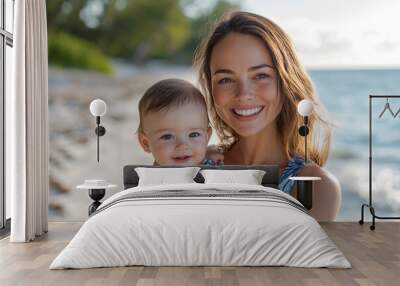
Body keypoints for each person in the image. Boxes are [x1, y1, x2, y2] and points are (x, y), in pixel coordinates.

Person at [194, 11, 341, 221]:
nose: (243, 94)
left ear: (285, 82)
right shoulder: (194, 162)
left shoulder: (314, 187)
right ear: (211, 86)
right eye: (226, 79)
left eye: (261, 75)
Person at [137, 78, 221, 166]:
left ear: (207, 137)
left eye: (194, 134)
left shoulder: (215, 166)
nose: (182, 146)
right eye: (167, 136)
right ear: (146, 143)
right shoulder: (149, 177)